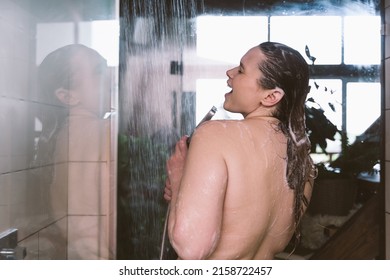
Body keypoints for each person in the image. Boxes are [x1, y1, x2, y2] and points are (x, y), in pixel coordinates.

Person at [163, 41, 317, 260]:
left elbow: (192, 248)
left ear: (271, 96)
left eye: (241, 70)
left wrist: (179, 179)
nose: (230, 72)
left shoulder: (215, 135)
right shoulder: (303, 163)